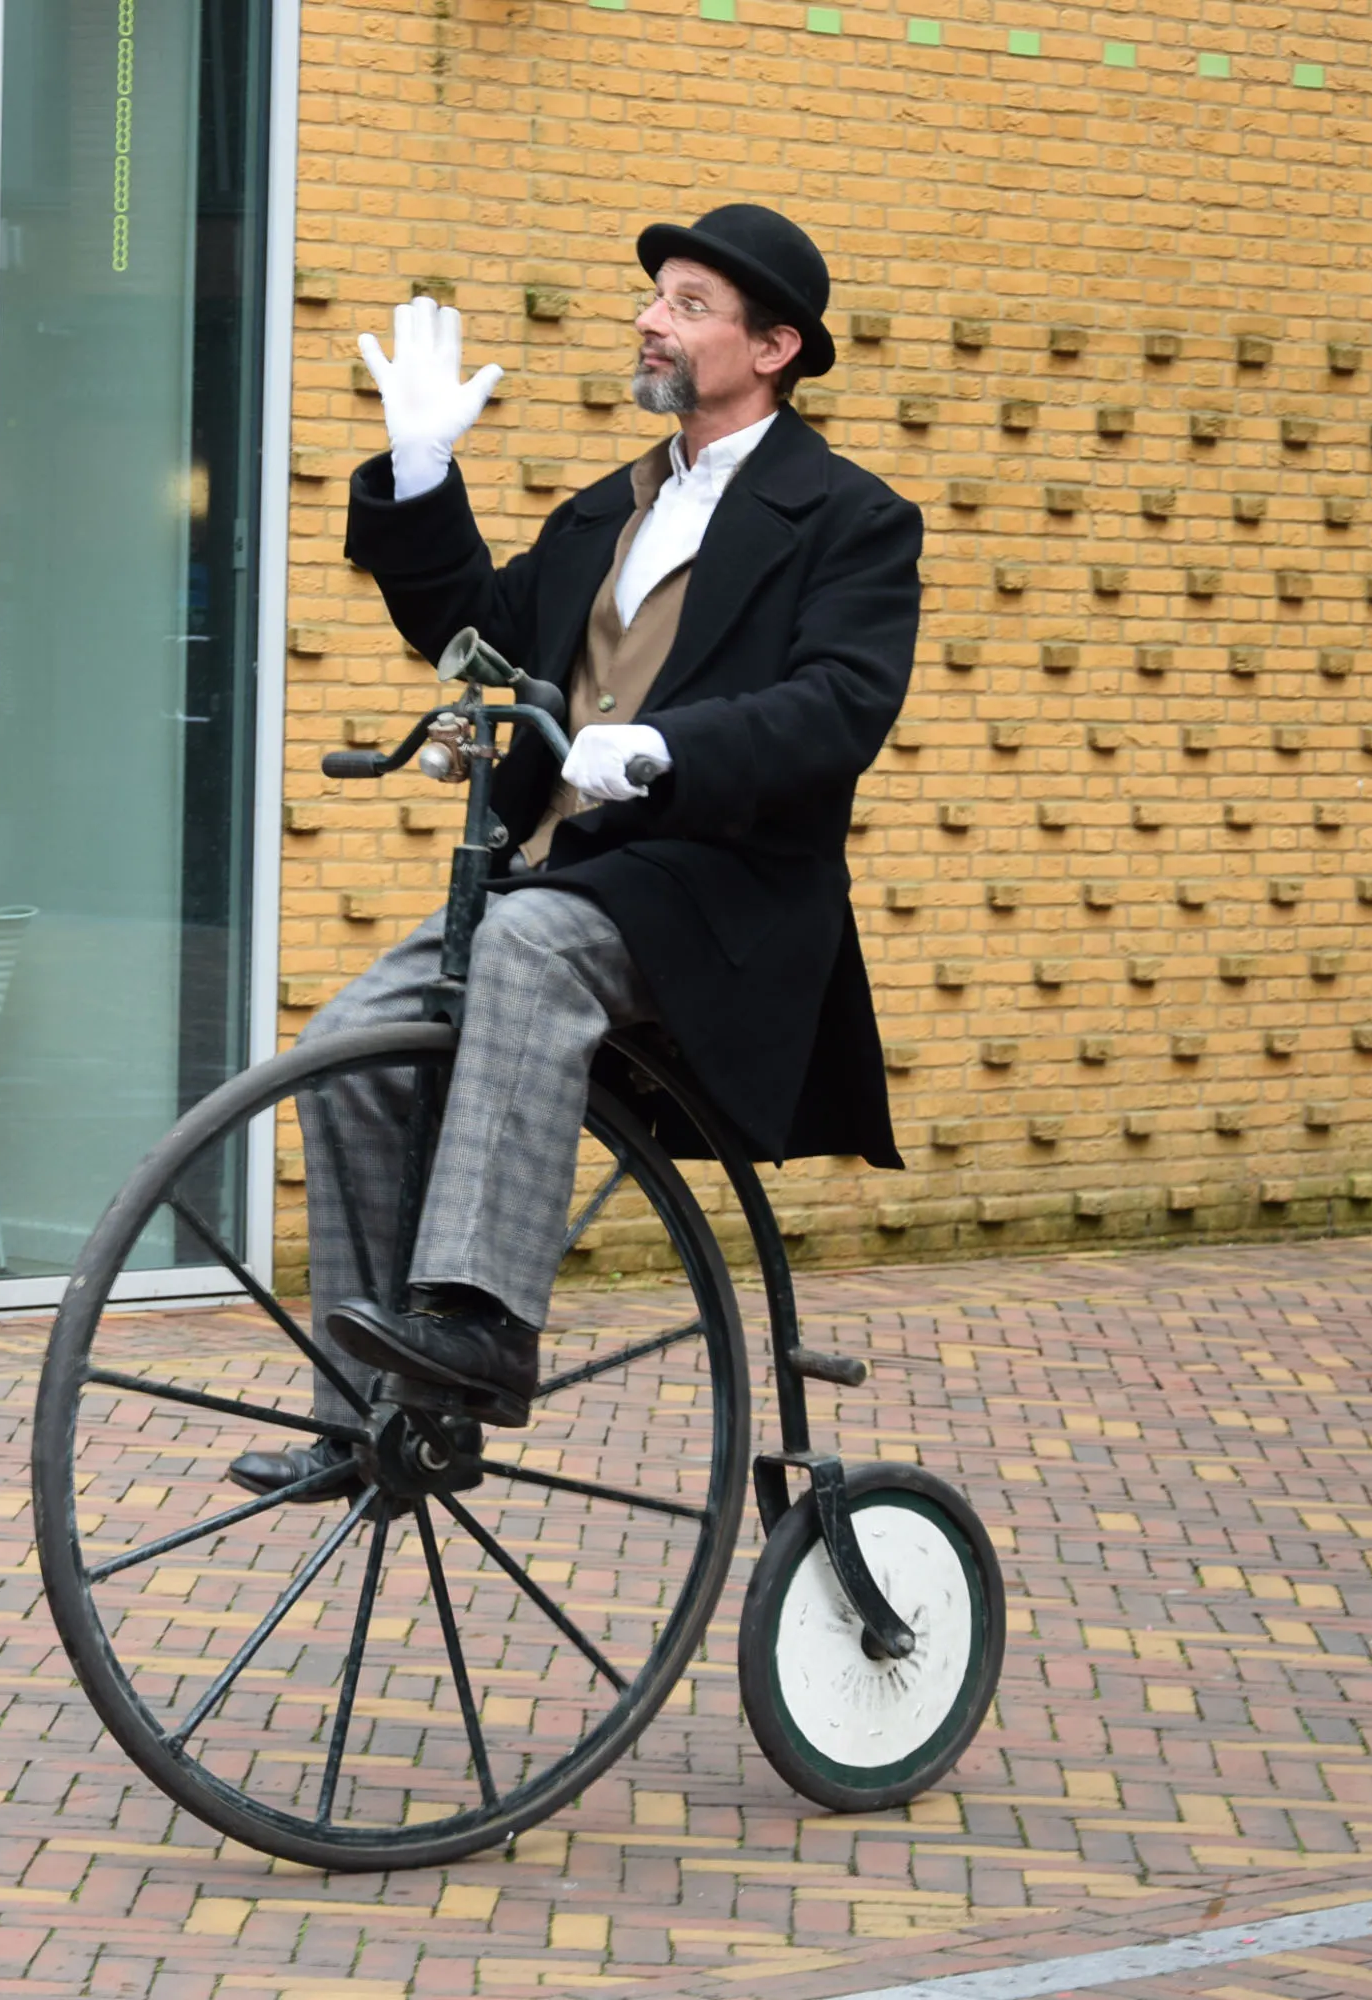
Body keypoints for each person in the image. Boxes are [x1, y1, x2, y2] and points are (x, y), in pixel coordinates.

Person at [231, 203, 924, 1495]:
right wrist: (424, 477)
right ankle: (374, 1409)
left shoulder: (849, 520)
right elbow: (478, 633)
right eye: (656, 295)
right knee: (342, 1049)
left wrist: (668, 748)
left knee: (531, 943)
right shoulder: (613, 506)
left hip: (715, 907)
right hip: (557, 882)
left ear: (774, 347)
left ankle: (482, 1327)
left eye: (690, 304)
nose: (652, 319)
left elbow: (843, 707)